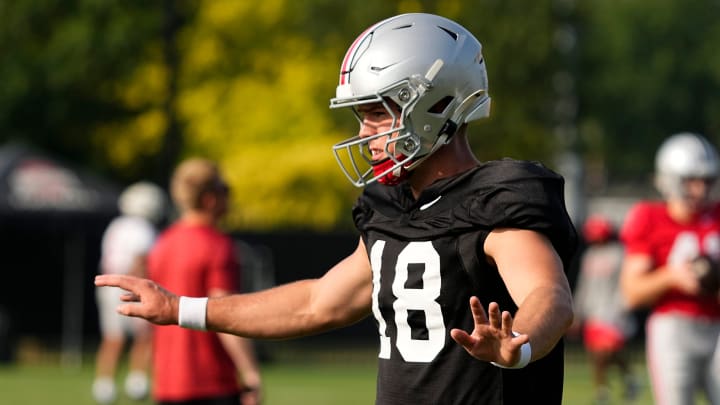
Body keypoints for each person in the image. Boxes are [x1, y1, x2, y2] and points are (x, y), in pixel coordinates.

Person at [96, 13, 577, 404]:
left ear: (436, 104)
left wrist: (521, 344)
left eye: (375, 113)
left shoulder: (496, 201)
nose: (365, 132)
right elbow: (316, 303)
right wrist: (181, 307)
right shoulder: (393, 207)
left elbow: (548, 294)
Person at [146, 158, 262, 405]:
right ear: (210, 198)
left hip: (167, 384)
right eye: (226, 191)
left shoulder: (161, 244)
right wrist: (251, 373)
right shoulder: (218, 246)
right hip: (212, 383)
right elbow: (227, 314)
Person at [619, 132, 720, 405]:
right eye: (691, 180)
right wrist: (673, 276)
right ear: (670, 179)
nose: (700, 189)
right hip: (673, 325)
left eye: (707, 180)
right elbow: (632, 292)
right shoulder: (650, 217)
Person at [93, 181, 167, 404]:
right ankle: (137, 382)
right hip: (129, 285)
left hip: (107, 285)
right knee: (145, 335)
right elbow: (140, 260)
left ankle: (104, 386)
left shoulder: (116, 225)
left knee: (112, 338)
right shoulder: (142, 228)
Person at [572, 214, 639, 405]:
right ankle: (602, 390)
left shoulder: (620, 254)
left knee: (608, 351)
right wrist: (578, 310)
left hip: (613, 311)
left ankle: (628, 378)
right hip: (593, 311)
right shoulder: (590, 256)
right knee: (596, 354)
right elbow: (585, 285)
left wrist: (623, 306)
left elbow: (626, 282)